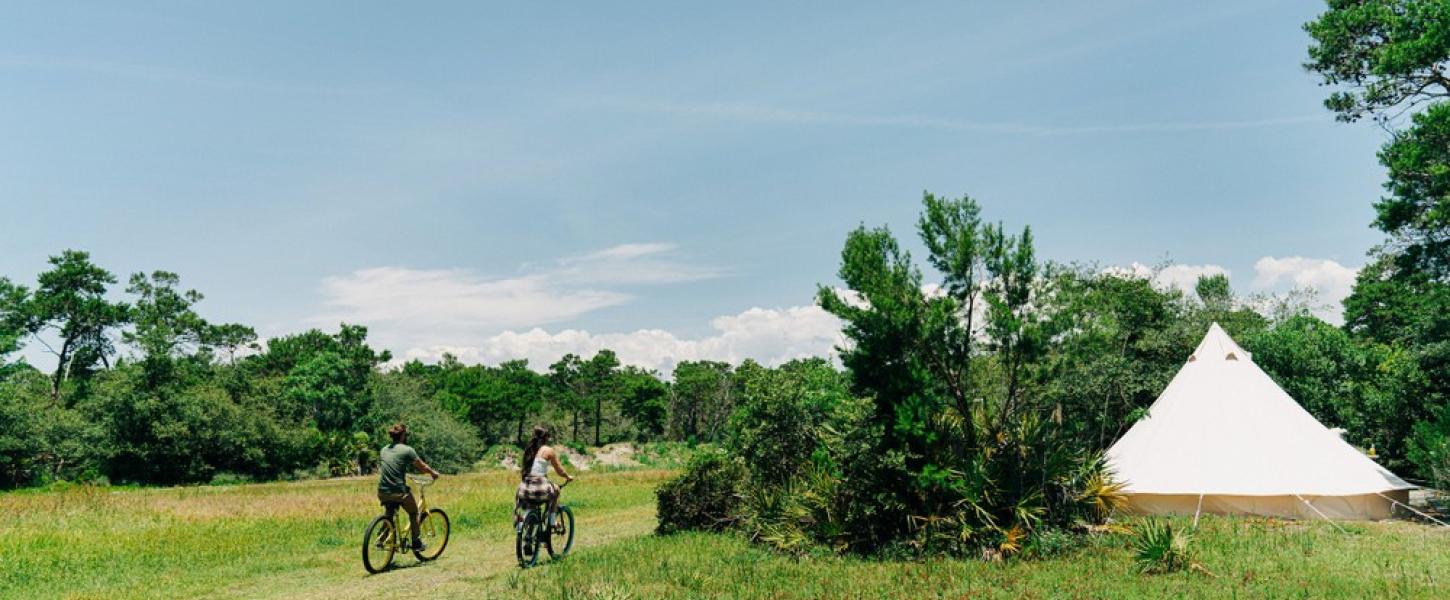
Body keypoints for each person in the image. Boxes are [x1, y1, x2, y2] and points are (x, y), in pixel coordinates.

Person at [378, 423, 441, 552]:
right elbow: (422, 467)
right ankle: (416, 542)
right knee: (413, 512)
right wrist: (433, 473)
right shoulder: (407, 450)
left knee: (390, 512)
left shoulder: (384, 449)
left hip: (382, 491)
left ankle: (382, 538)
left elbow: (392, 466)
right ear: (402, 436)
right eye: (406, 435)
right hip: (399, 492)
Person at [516, 426, 573, 530]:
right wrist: (567, 476)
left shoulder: (528, 450)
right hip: (540, 488)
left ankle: (525, 527)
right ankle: (552, 522)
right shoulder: (548, 450)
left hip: (524, 489)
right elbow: (559, 470)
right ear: (546, 438)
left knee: (531, 504)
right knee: (556, 491)